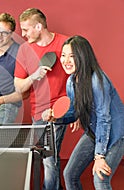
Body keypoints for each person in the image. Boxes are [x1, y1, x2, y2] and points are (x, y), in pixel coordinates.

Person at [43, 35, 124, 189]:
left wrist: (99, 156)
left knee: (100, 178)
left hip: (115, 133)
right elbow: (75, 112)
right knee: (69, 174)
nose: (66, 60)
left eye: (72, 56)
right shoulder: (71, 82)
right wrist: (56, 117)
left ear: (83, 57)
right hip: (94, 131)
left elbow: (104, 118)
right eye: (63, 56)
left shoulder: (97, 81)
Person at [6, 8, 69, 189]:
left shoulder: (65, 44)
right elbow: (19, 86)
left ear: (39, 26)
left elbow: (79, 77)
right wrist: (34, 75)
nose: (23, 34)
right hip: (38, 113)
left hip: (59, 110)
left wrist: (77, 109)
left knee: (50, 159)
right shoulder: (25, 50)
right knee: (45, 157)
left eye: (26, 30)